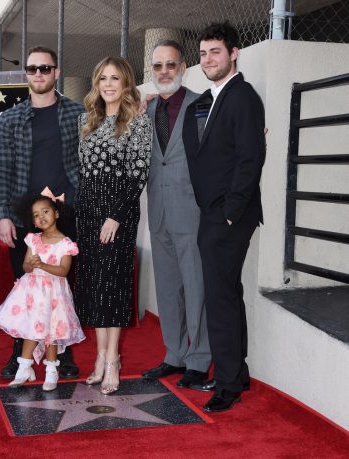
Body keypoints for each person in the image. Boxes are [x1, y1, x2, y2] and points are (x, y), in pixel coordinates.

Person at [183, 22, 266, 412]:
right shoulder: (207, 99)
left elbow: (251, 159)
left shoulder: (243, 98)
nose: (208, 60)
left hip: (229, 215)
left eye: (215, 52)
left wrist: (231, 213)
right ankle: (238, 373)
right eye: (202, 54)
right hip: (212, 213)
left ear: (234, 53)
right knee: (228, 293)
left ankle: (228, 384)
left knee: (218, 297)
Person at [0, 45, 84, 381]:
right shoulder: (10, 118)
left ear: (56, 72)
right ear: (26, 74)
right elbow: (1, 168)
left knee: (63, 285)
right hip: (24, 219)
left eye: (45, 69)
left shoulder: (77, 113)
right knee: (26, 286)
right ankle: (22, 354)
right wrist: (3, 213)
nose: (39, 74)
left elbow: (91, 158)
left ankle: (61, 352)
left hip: (67, 216)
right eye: (33, 69)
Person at [74, 56, 152, 395]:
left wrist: (116, 216)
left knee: (113, 287)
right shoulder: (86, 121)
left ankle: (112, 361)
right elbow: (83, 172)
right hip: (89, 212)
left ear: (126, 84)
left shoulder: (137, 122)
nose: (108, 84)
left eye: (115, 78)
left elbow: (138, 175)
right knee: (94, 287)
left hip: (117, 214)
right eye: (103, 78)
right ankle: (99, 357)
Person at [141, 40, 212, 390]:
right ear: (151, 71)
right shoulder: (147, 110)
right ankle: (174, 355)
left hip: (192, 210)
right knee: (168, 287)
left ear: (183, 68)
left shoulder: (202, 104)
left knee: (196, 285)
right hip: (158, 211)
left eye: (171, 65)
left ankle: (199, 359)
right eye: (158, 66)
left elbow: (214, 151)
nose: (164, 71)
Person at [0, 191, 85, 391]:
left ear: (56, 213)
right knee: (30, 330)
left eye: (45, 211)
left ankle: (51, 371)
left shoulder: (66, 244)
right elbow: (25, 266)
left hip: (54, 295)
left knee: (51, 330)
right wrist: (32, 265)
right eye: (36, 215)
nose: (41, 217)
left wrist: (42, 264)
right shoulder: (33, 240)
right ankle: (24, 367)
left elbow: (63, 271)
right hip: (33, 294)